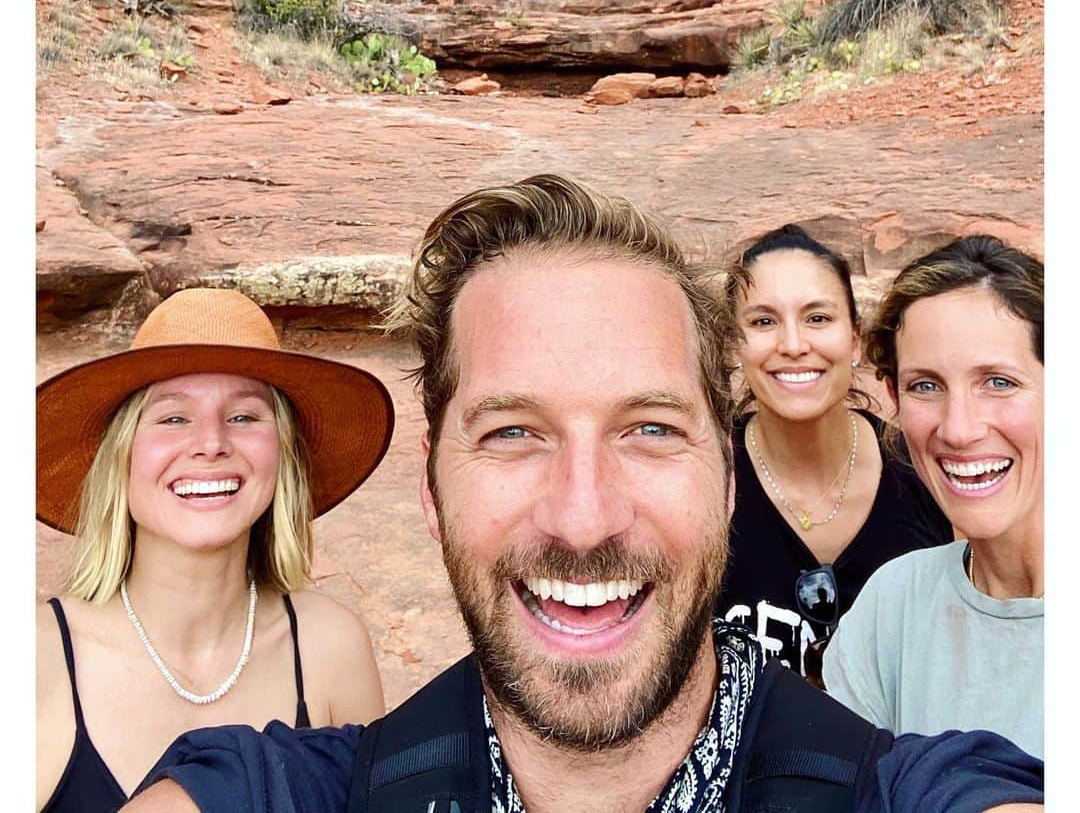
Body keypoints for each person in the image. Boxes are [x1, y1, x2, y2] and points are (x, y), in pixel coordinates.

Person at [120, 177, 1042, 813]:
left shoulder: (902, 783)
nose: (583, 515)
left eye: (649, 429)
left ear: (727, 478)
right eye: (514, 432)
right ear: (433, 488)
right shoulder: (279, 786)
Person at [36, 286, 396, 813]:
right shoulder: (31, 659)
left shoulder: (328, 648)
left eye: (245, 416)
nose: (211, 443)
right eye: (173, 418)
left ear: (283, 456)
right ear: (121, 458)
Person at [823, 235, 1044, 758]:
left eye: (998, 381)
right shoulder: (893, 605)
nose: (960, 429)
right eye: (926, 386)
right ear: (894, 398)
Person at [715, 225, 951, 680]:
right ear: (733, 345)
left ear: (855, 339)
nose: (794, 344)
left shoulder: (925, 473)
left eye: (817, 318)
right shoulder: (707, 478)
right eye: (764, 321)